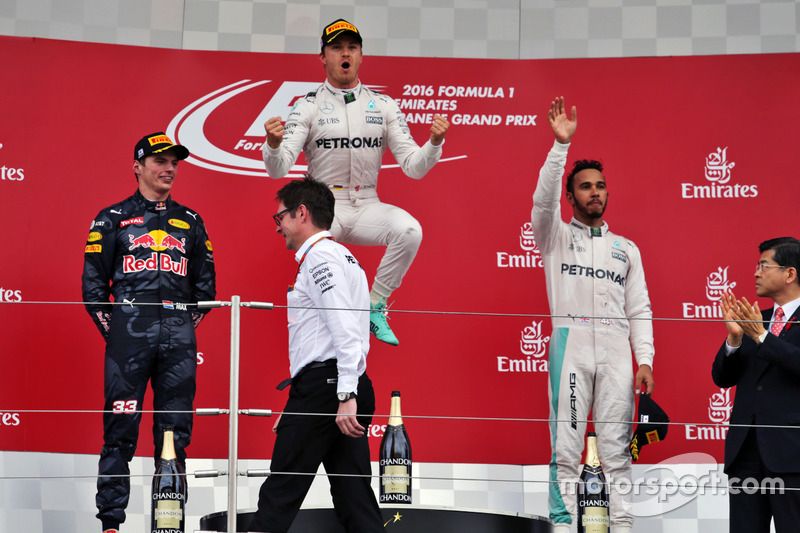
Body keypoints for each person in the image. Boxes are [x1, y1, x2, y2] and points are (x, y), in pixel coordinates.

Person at [261, 18, 450, 346]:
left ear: (361, 55)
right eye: (336, 48)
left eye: (352, 47)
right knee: (326, 277)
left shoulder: (384, 105)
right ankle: (316, 321)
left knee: (410, 231)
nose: (345, 54)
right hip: (323, 212)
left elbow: (414, 168)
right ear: (323, 57)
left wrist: (434, 144)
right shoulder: (307, 106)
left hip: (366, 205)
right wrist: (273, 145)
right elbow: (278, 170)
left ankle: (374, 306)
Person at [82, 132, 216, 533]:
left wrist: (177, 327)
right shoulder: (111, 218)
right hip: (128, 340)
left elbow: (205, 292)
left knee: (174, 434)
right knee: (119, 432)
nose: (169, 168)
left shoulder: (192, 221)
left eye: (174, 161)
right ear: (138, 166)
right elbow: (93, 289)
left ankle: (168, 522)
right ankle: (110, 524)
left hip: (178, 342)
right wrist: (120, 330)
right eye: (159, 161)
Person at [531, 97, 654, 533]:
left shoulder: (627, 249)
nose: (595, 192)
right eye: (585, 186)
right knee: (566, 447)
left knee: (617, 448)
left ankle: (621, 526)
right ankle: (562, 527)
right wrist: (560, 147)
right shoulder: (555, 236)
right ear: (571, 195)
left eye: (600, 185)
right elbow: (542, 203)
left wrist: (645, 360)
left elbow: (639, 308)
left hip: (619, 351)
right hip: (572, 344)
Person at [247, 177, 383, 533]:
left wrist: (344, 394)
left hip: (330, 388)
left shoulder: (321, 257)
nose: (278, 228)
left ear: (301, 213)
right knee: (356, 501)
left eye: (280, 218)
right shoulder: (343, 256)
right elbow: (333, 334)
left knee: (280, 493)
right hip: (332, 386)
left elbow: (344, 328)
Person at [713, 237, 800, 532]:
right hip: (746, 455)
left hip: (792, 456)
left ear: (790, 274)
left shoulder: (759, 328)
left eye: (764, 265)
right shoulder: (754, 321)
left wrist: (762, 337)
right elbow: (722, 378)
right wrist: (735, 339)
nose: (756, 273)